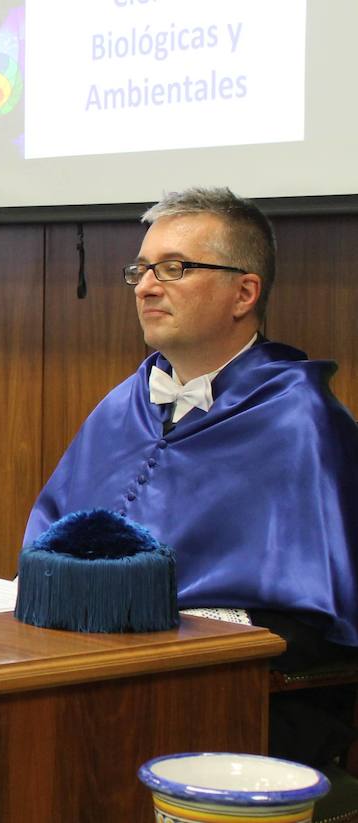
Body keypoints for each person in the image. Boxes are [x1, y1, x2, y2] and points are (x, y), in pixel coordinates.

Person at [25, 186, 358, 765]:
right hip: (93, 670)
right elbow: (49, 546)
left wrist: (155, 634)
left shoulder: (300, 419)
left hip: (245, 703)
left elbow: (309, 625)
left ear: (244, 292)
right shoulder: (123, 402)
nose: (147, 286)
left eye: (174, 268)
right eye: (141, 269)